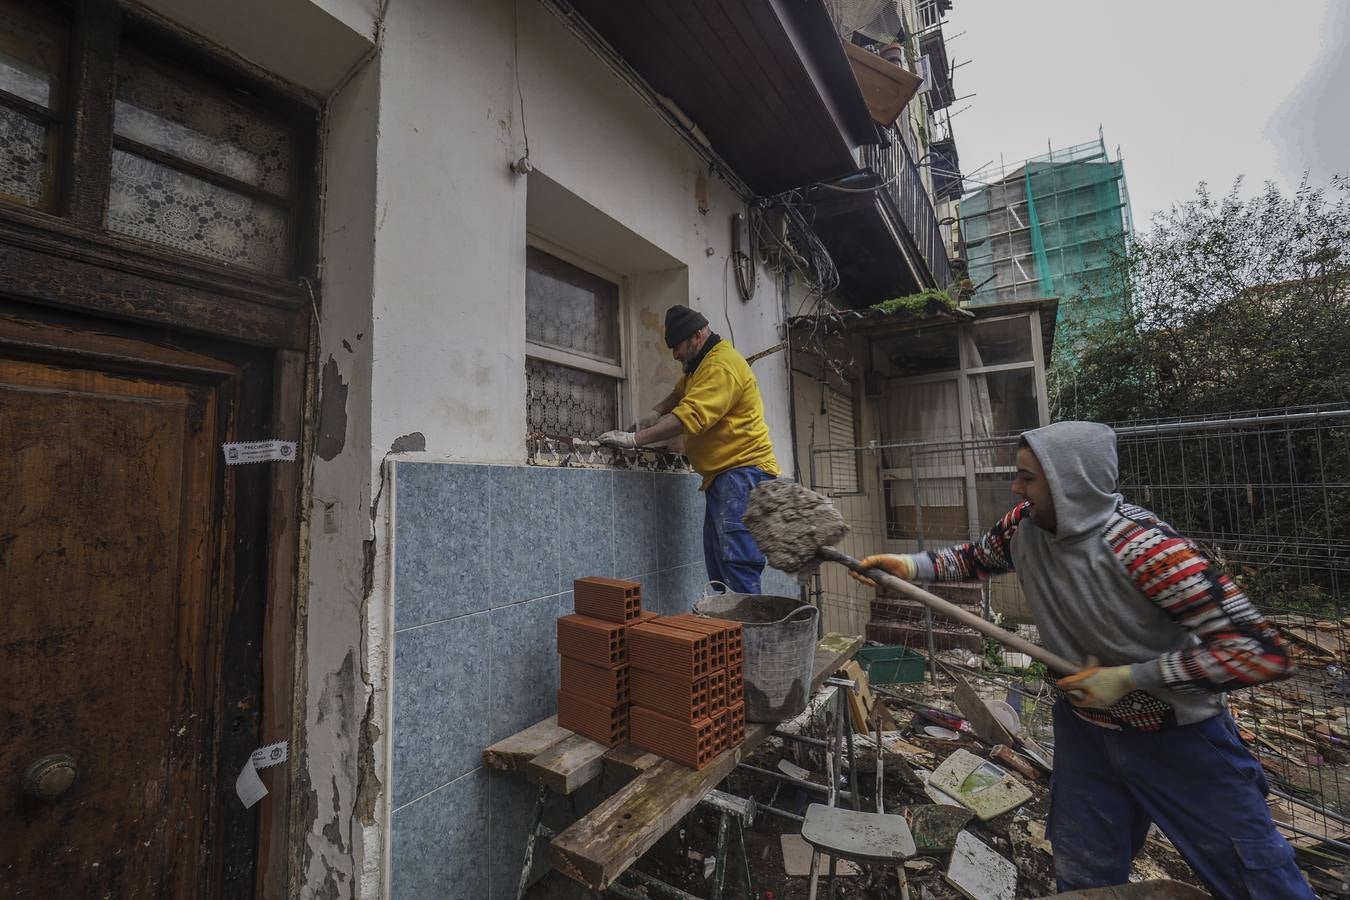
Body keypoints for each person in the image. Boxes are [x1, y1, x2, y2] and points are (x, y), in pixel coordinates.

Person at [851, 421, 1310, 899]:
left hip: (1180, 741)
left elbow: (1261, 652)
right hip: (1087, 734)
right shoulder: (1023, 527)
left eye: (1029, 477)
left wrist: (1132, 677)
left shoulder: (1150, 551)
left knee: (1258, 878)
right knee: (1085, 874)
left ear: (1070, 480)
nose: (1016, 487)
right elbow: (972, 559)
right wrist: (908, 566)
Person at [599, 305, 780, 594]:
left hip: (743, 475)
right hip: (725, 477)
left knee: (738, 567)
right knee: (720, 569)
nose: (674, 354)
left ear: (697, 336)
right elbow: (680, 393)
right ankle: (728, 635)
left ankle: (747, 637)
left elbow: (689, 416)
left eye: (678, 346)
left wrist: (636, 440)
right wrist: (655, 412)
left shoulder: (721, 366)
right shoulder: (702, 364)